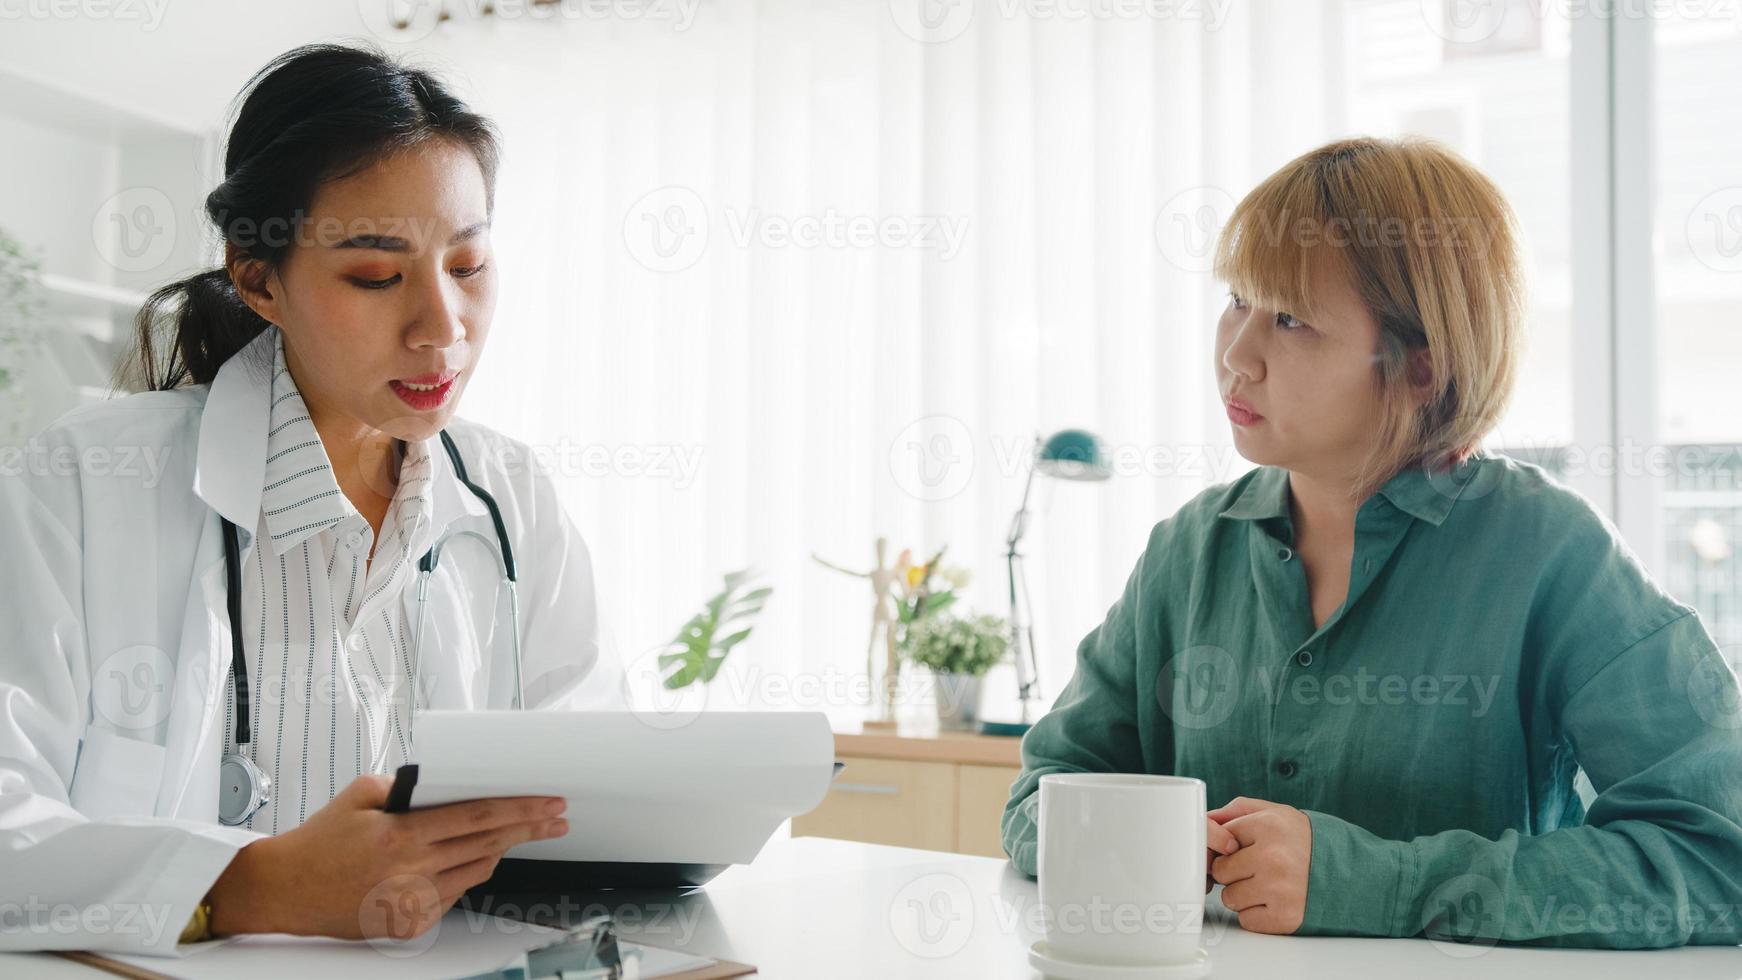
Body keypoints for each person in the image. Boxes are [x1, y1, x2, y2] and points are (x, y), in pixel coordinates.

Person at [1002, 136, 1742, 948]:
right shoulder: (1186, 551)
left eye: (1290, 320)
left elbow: (1716, 861)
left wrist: (1377, 881)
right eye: (1238, 300)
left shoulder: (1553, 554)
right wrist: (1145, 840)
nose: (1236, 355)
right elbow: (1042, 795)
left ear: (1422, 366)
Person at [0, 44, 626, 954]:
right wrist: (249, 889)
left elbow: (606, 784)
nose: (442, 328)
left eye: (469, 265)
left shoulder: (510, 497)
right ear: (259, 280)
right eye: (377, 275)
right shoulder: (80, 486)